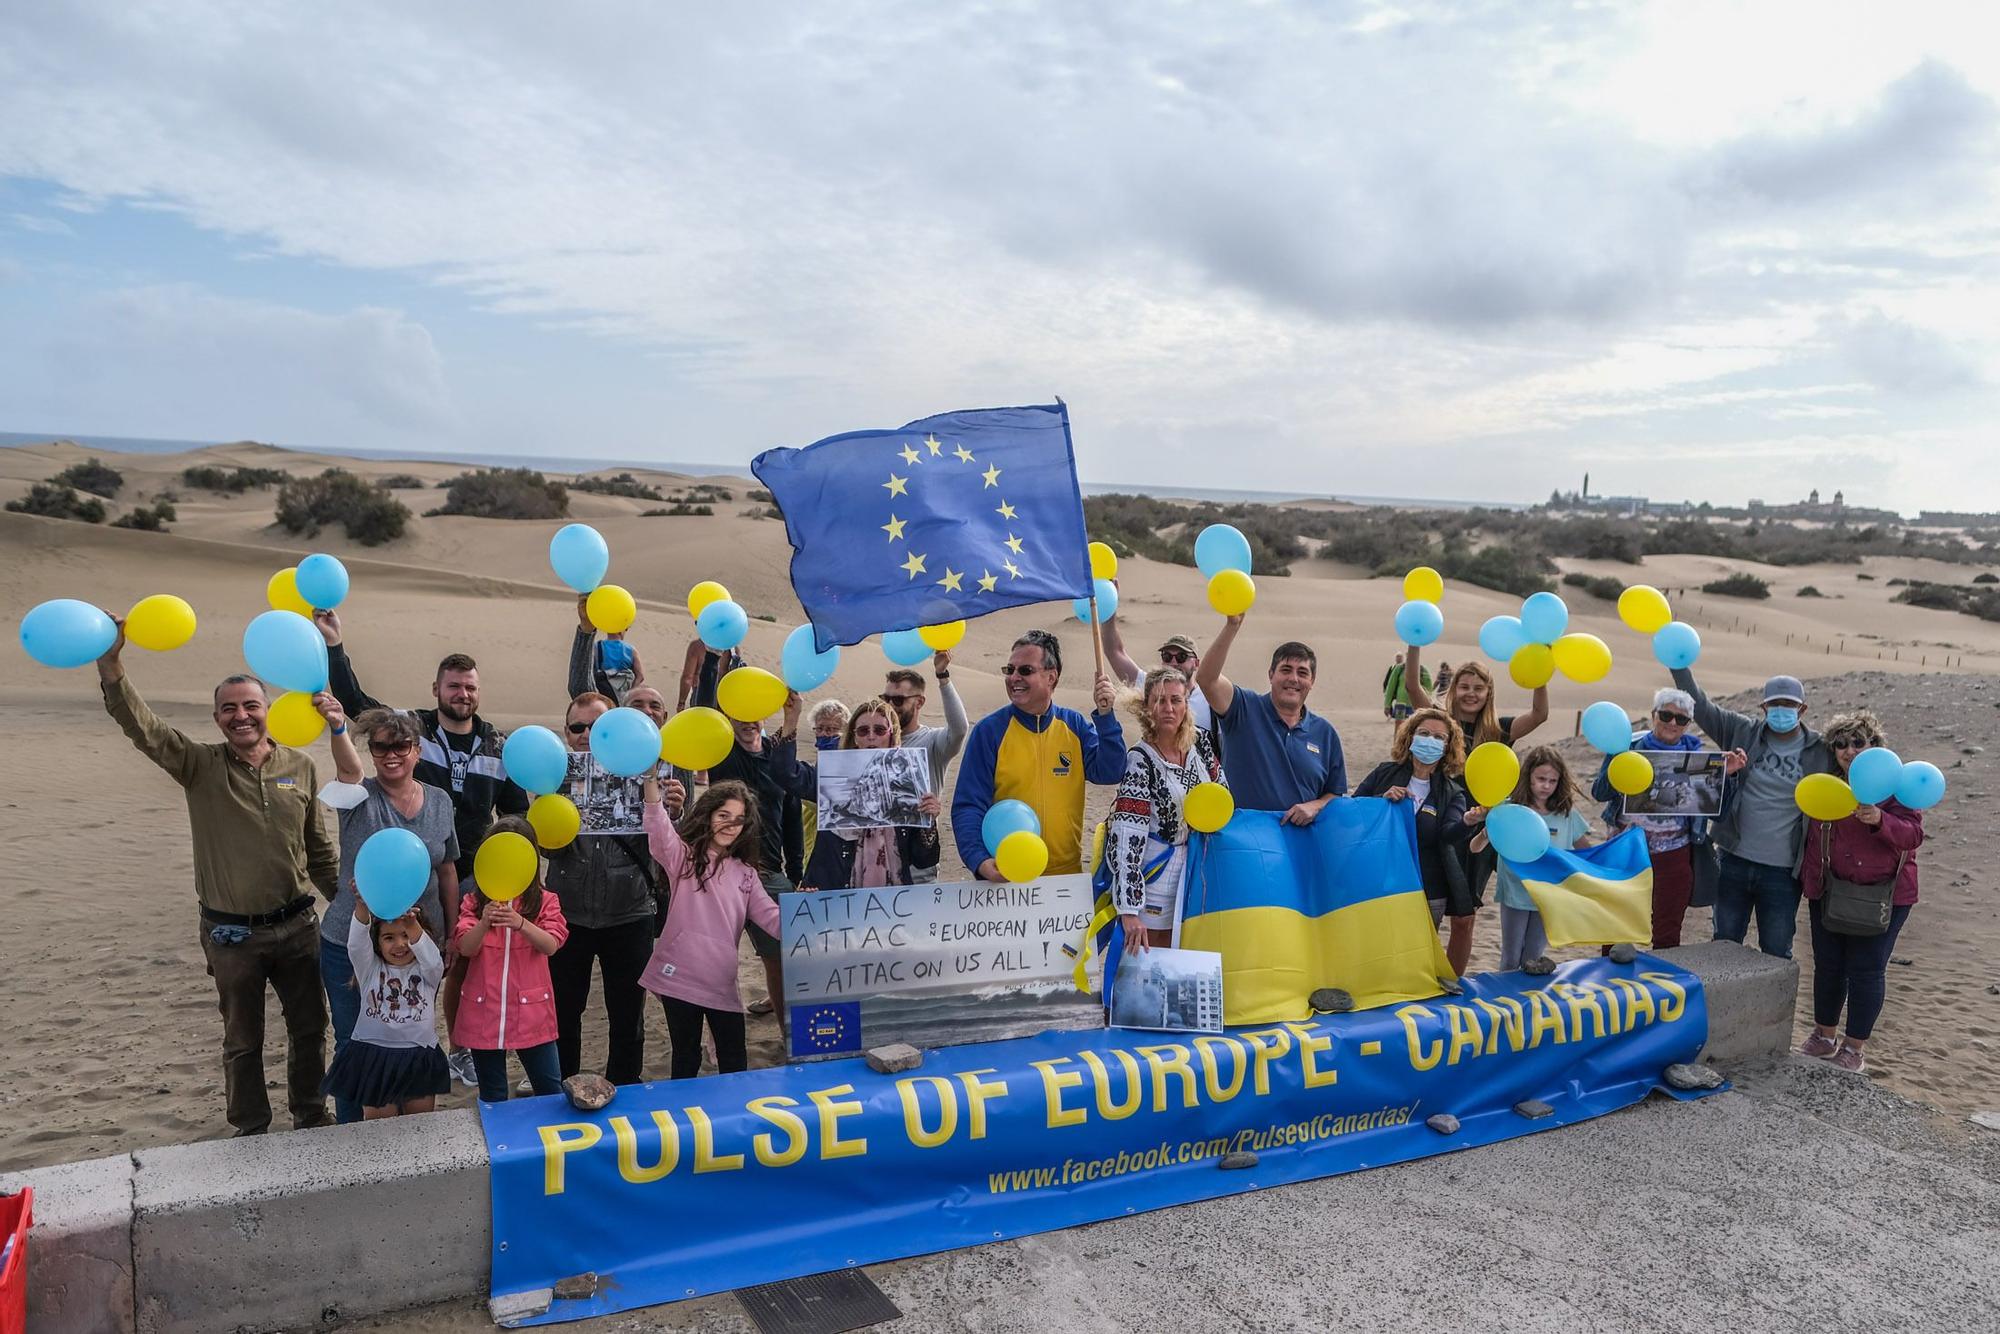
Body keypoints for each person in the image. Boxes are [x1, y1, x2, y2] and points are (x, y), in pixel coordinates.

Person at [96, 621, 336, 1136]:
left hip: (298, 927)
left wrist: (351, 907)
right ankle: (250, 1128)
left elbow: (317, 851)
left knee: (311, 1030)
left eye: (250, 705)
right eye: (229, 708)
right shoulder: (200, 765)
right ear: (217, 718)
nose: (241, 716)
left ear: (267, 709)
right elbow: (146, 729)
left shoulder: (300, 766)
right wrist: (111, 663)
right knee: (243, 1039)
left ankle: (312, 1116)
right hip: (232, 936)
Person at [318, 610, 528, 1086]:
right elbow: (358, 707)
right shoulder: (414, 729)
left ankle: (461, 1051)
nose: (463, 694)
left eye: (470, 687)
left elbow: (514, 815)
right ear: (437, 690)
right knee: (361, 1029)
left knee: (441, 988)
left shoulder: (498, 744)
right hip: (378, 907)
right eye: (453, 686)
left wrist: (517, 868)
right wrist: (335, 647)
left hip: (462, 885)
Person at [312, 701, 460, 1124]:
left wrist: (447, 936)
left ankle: (408, 1131)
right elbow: (348, 770)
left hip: (417, 944)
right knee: (354, 1041)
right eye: (380, 748)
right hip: (351, 941)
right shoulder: (358, 796)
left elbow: (447, 870)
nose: (391, 755)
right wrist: (340, 728)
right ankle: (353, 1135)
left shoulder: (439, 801)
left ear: (417, 750)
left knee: (409, 1035)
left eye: (401, 746)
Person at [545, 691, 666, 1088]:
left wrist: (671, 808)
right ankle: (565, 1086)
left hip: (630, 914)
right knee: (564, 1013)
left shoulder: (651, 771)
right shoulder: (552, 774)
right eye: (577, 727)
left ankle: (625, 1090)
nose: (585, 734)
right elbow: (548, 849)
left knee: (628, 1016)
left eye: (596, 726)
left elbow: (671, 846)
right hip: (567, 916)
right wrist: (550, 811)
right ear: (566, 732)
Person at [1670, 669, 1832, 959]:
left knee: (1777, 949)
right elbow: (1700, 705)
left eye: (1790, 705)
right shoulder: (1740, 731)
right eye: (1775, 704)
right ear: (1764, 707)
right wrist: (1678, 664)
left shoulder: (1821, 749)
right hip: (1733, 860)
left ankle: (1774, 1006)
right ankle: (1722, 1005)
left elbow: (1857, 758)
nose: (1781, 711)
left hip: (1783, 872)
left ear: (1803, 709)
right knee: (1724, 943)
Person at [1799, 711, 1925, 1074]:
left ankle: (1854, 1048)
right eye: (1841, 744)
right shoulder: (1828, 785)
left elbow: (1913, 835)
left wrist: (1881, 820)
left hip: (1885, 897)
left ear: (1874, 746)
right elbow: (1813, 839)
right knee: (1828, 967)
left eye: (1858, 742)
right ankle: (1823, 1036)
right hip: (1830, 891)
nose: (1849, 751)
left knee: (1866, 970)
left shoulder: (1894, 788)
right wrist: (1813, 887)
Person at [951, 630, 1125, 880]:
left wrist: (1106, 718)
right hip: (1006, 876)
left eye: (1025, 671)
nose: (1014, 678)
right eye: (1009, 670)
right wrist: (979, 860)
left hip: (1064, 878)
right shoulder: (989, 732)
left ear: (1051, 677)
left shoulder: (1073, 725)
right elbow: (968, 806)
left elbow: (1110, 771)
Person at [640, 779, 779, 1077]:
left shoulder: (747, 875)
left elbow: (773, 920)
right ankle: (683, 1120)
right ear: (708, 816)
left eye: (739, 820)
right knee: (686, 1057)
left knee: (734, 1061)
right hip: (680, 979)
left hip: (721, 982)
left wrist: (809, 911)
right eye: (723, 816)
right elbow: (658, 828)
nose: (731, 825)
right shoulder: (684, 858)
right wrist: (650, 780)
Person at [1589, 689, 1747, 949]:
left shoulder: (1701, 759)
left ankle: (1661, 988)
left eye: (1681, 719)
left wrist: (1727, 777)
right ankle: (1612, 983)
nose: (1672, 723)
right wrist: (1620, 766)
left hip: (1674, 853)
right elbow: (1599, 792)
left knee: (1667, 932)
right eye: (1666, 715)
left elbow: (1717, 812)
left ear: (1688, 725)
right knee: (1616, 927)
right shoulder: (1625, 747)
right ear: (1653, 715)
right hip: (1625, 850)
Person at [709, 692, 815, 1017]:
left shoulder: (775, 757)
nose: (748, 722)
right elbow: (709, 703)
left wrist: (796, 872)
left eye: (754, 715)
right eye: (739, 715)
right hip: (724, 872)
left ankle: (787, 1034)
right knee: (716, 959)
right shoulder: (721, 754)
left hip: (769, 873)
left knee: (781, 957)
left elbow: (792, 815)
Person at [1105, 668, 1225, 948]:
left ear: (1186, 703)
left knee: (1191, 947)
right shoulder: (1140, 760)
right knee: (1154, 953)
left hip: (1198, 867)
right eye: (1159, 701)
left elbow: (1222, 796)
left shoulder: (1202, 745)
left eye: (1176, 700)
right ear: (1147, 707)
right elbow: (1127, 834)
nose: (1168, 708)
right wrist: (1129, 910)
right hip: (1156, 874)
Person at [1352, 708, 1479, 970]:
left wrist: (1468, 822)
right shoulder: (1384, 773)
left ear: (1447, 747)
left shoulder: (1452, 792)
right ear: (1409, 738)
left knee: (1414, 959)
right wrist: (1381, 802)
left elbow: (1448, 834)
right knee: (1378, 953)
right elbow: (1353, 812)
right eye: (1424, 733)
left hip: (1428, 889)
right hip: (1380, 883)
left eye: (1438, 737)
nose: (1430, 740)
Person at [452, 819, 568, 1102]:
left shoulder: (545, 901)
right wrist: (483, 923)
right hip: (484, 1011)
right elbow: (465, 947)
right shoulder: (474, 901)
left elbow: (551, 944)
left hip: (532, 1013)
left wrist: (520, 924)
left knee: (549, 1088)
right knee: (493, 1093)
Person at [1194, 613, 1345, 821]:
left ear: (1312, 681)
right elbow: (1206, 679)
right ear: (1271, 674)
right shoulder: (1244, 708)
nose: (1293, 678)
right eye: (1286, 670)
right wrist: (1232, 626)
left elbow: (1336, 793)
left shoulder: (1325, 733)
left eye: (1302, 673)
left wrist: (1316, 806)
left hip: (1300, 843)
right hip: (1247, 839)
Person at [321, 901, 451, 1118]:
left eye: (406, 936)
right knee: (378, 1126)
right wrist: (362, 906)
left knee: (419, 1123)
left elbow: (432, 959)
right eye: (389, 937)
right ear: (377, 943)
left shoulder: (429, 972)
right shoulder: (369, 968)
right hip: (373, 1056)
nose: (400, 944)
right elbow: (355, 944)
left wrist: (412, 924)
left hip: (418, 1056)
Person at [800, 699, 943, 889]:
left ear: (892, 735)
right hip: (838, 898)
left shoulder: (909, 782)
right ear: (854, 737)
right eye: (863, 731)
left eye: (880, 730)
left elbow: (924, 860)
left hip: (892, 901)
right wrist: (791, 720)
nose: (871, 737)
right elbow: (786, 775)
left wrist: (929, 821)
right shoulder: (834, 778)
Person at [1486, 747, 1595, 972]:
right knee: (1510, 957)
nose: (1546, 786)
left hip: (1549, 894)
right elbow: (1479, 845)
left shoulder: (1566, 814)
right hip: (1516, 891)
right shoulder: (1509, 809)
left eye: (1552, 781)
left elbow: (1585, 848)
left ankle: (1527, 1001)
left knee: (1533, 956)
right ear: (1528, 777)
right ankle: (1507, 1002)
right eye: (1541, 779)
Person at [1401, 648, 1548, 752]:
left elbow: (1539, 715)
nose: (1471, 693)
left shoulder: (1498, 730)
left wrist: (1539, 674)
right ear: (1454, 689)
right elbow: (1412, 687)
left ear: (1488, 693)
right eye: (1464, 687)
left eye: (1478, 688)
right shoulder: (1439, 721)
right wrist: (1415, 642)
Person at [1103, 619, 1214, 734]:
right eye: (1167, 656)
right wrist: (1108, 613)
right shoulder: (1152, 687)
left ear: (1196, 663)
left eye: (1181, 657)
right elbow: (1114, 651)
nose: (1174, 663)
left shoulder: (1209, 697)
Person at [801, 699, 851, 869]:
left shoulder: (853, 765)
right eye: (820, 728)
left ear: (846, 732)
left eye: (831, 729)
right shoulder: (818, 763)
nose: (824, 734)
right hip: (812, 852)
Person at [568, 597, 645, 704]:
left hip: (601, 696)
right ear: (623, 628)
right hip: (623, 696)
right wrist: (630, 694)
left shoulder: (596, 646)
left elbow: (586, 672)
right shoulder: (631, 650)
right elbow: (640, 676)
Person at [1382, 654, 1432, 722]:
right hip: (1400, 704)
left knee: (1413, 726)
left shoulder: (1423, 670)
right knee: (1399, 726)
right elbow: (1391, 687)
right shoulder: (1399, 669)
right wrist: (1387, 705)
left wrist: (1428, 706)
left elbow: (1429, 689)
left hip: (1416, 706)